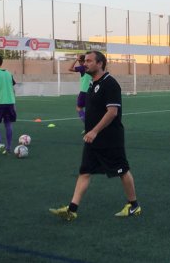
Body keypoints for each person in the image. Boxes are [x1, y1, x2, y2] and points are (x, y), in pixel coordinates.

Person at [49, 51, 140, 221]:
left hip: (110, 138)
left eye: (90, 61)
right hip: (93, 139)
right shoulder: (92, 83)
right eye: (85, 61)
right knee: (85, 172)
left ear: (100, 64)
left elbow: (112, 112)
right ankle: (72, 209)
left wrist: (94, 131)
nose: (86, 63)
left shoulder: (110, 84)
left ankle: (134, 205)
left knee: (122, 171)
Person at [68, 54, 91, 128]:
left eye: (79, 61)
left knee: (79, 108)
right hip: (91, 91)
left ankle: (88, 126)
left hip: (84, 91)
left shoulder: (82, 67)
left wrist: (75, 60)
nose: (79, 63)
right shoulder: (91, 67)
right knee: (90, 109)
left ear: (81, 61)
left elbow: (70, 69)